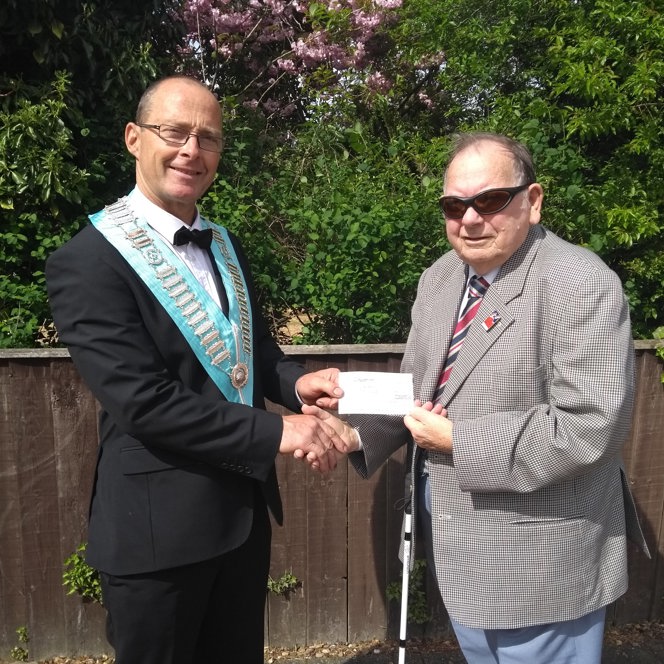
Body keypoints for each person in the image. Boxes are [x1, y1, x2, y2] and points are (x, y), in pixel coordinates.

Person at [307, 132, 650, 663]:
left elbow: (591, 425)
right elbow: (420, 389)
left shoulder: (579, 282)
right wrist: (354, 431)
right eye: (454, 204)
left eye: (489, 200)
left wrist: (458, 440)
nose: (469, 218)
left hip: (544, 563)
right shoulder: (441, 278)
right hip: (463, 549)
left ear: (532, 201)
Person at [45, 75, 352, 664]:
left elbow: (254, 355)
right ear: (135, 138)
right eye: (175, 132)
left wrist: (295, 384)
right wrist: (280, 431)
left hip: (239, 517)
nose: (192, 150)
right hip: (157, 534)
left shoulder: (223, 244)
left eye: (207, 138)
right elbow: (144, 402)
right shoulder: (88, 261)